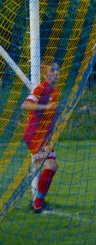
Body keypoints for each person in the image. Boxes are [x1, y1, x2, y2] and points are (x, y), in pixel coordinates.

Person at [23, 62, 61, 213]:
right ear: (45, 74)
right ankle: (37, 205)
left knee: (54, 165)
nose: (56, 72)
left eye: (58, 70)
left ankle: (40, 201)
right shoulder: (41, 89)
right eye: (52, 70)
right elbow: (25, 105)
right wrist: (45, 107)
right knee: (50, 164)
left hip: (43, 136)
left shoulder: (55, 91)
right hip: (34, 134)